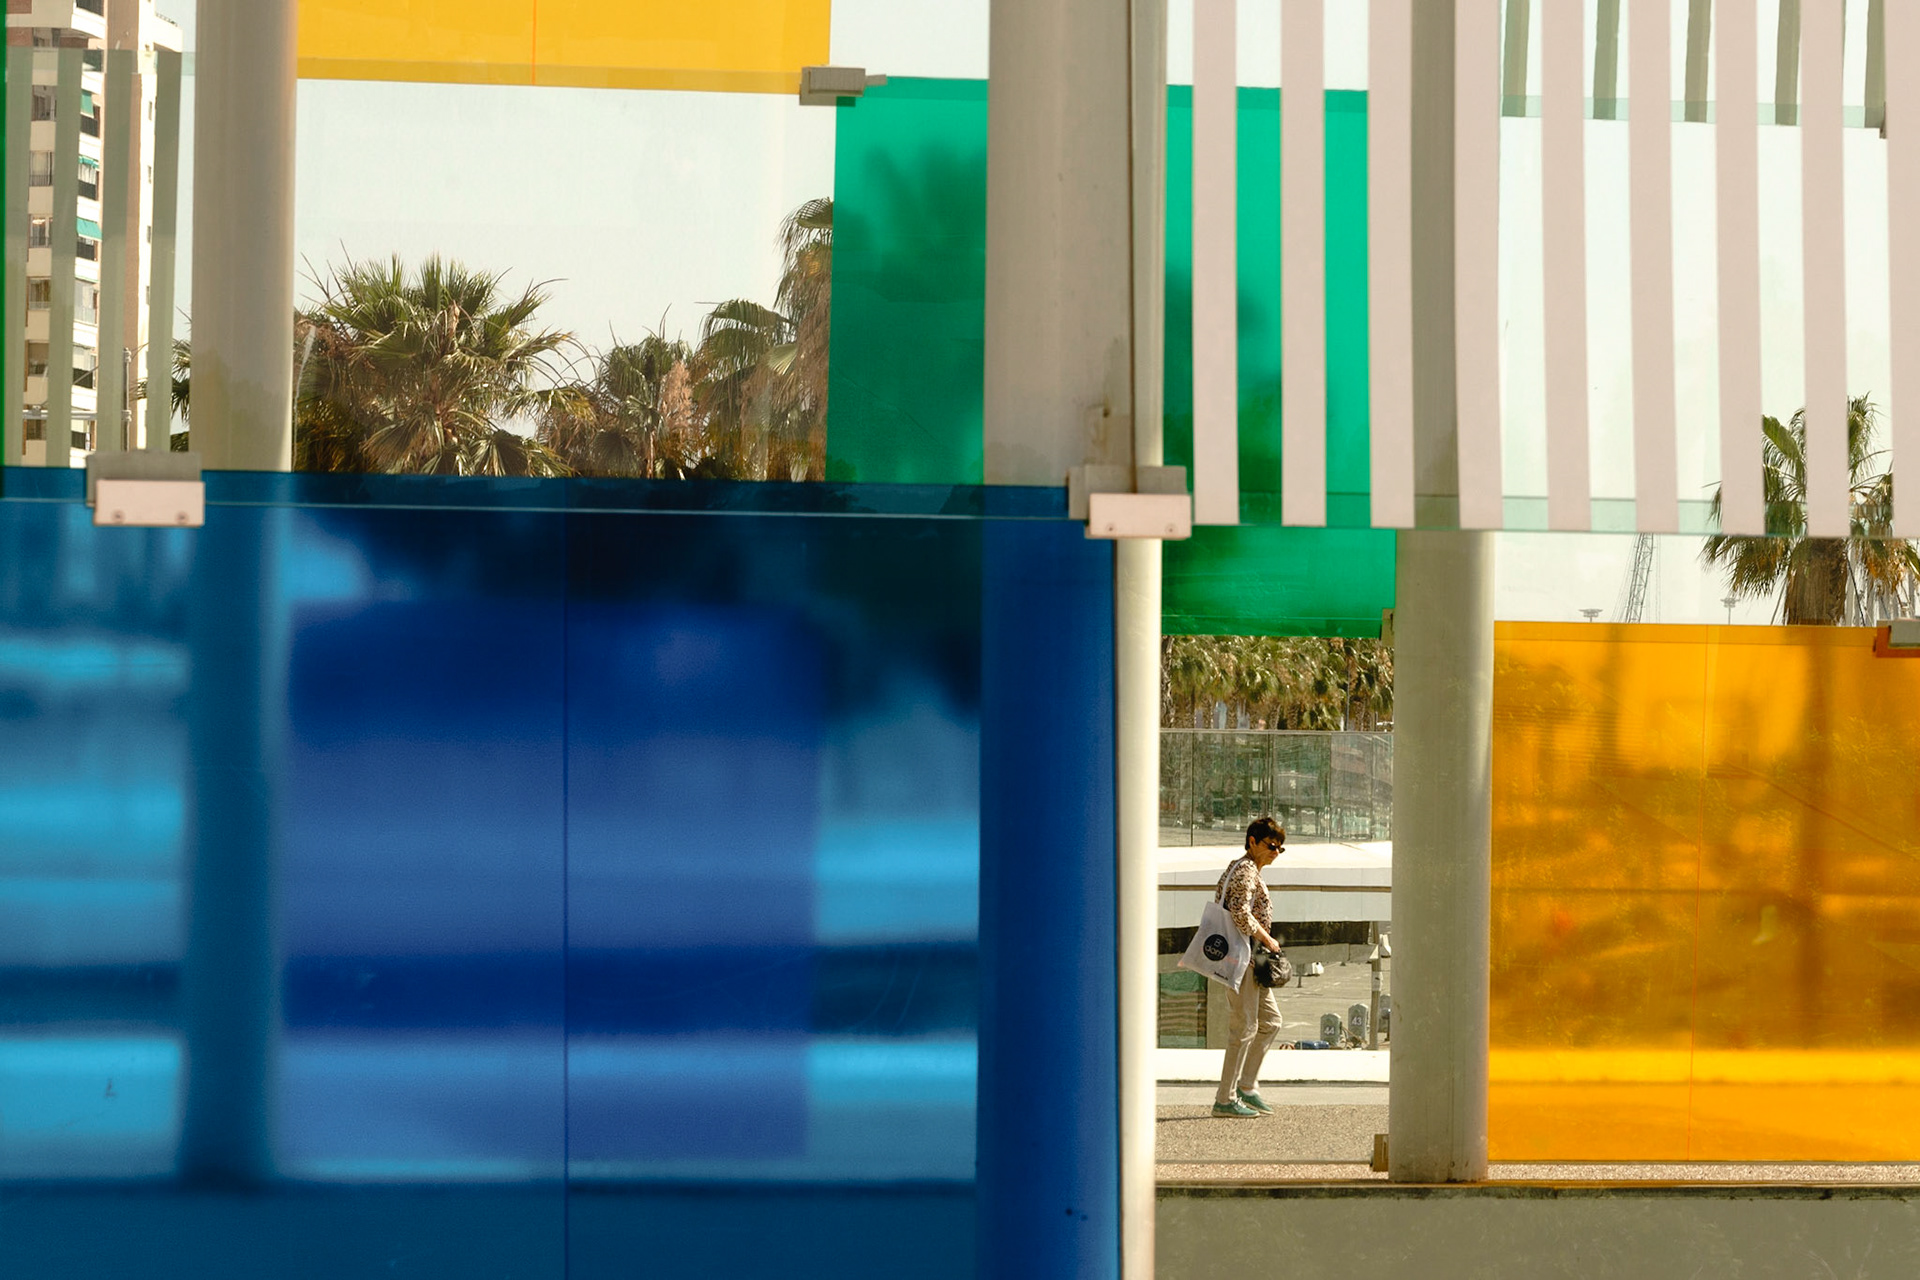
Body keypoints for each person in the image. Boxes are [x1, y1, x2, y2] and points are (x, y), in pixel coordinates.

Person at [1212, 817, 1287, 1119]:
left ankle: (1246, 1087)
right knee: (1244, 1028)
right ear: (1253, 842)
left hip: (1249, 959)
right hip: (1242, 957)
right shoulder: (1244, 871)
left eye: (1281, 848)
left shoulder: (1245, 869)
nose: (1275, 852)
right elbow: (1239, 914)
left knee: (1270, 1021)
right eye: (1271, 846)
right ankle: (1225, 1099)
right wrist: (1268, 939)